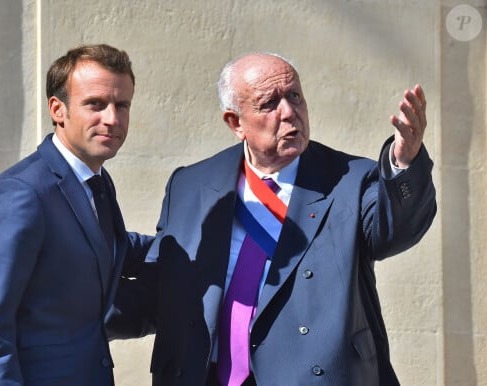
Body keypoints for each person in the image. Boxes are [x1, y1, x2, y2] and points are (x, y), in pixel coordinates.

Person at [110, 52, 436, 386]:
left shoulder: (350, 179)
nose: (289, 112)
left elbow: (394, 230)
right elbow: (164, 283)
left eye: (294, 96)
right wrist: (74, 316)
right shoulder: (191, 184)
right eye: (269, 103)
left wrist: (403, 165)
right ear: (236, 123)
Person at [0, 44, 152, 385]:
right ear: (58, 109)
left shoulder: (97, 181)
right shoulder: (20, 194)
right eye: (95, 104)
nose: (111, 118)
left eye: (121, 105)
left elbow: (111, 248)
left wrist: (198, 244)